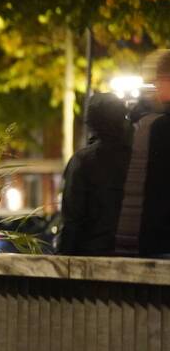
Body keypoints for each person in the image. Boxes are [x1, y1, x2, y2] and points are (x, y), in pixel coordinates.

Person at [57, 93, 131, 256]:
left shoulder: (83, 161)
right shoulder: (137, 157)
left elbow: (72, 218)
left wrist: (62, 258)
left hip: (91, 254)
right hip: (132, 251)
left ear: (91, 122)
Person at [116, 49, 170, 257]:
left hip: (157, 238)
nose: (154, 89)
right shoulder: (154, 123)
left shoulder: (158, 127)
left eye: (157, 82)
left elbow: (154, 188)